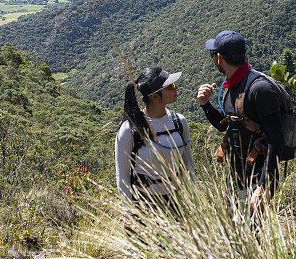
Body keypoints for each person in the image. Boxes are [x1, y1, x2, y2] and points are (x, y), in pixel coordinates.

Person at [197, 31, 284, 212]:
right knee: (235, 233)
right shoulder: (233, 85)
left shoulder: (259, 89)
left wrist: (262, 187)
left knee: (252, 234)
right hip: (237, 177)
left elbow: (277, 140)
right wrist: (205, 105)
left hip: (257, 179)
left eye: (212, 54)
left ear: (219, 58)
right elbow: (227, 126)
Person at [115, 67, 194, 207]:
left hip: (176, 202)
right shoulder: (130, 129)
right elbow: (122, 176)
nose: (176, 88)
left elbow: (188, 165)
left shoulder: (179, 122)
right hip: (143, 204)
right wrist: (129, 213)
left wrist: (192, 200)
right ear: (154, 96)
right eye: (170, 86)